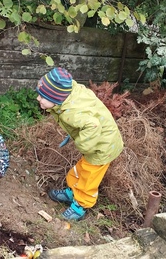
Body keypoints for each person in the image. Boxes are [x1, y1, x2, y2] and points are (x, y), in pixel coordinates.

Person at [36, 67, 124, 220]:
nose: (38, 99)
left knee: (89, 177)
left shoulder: (72, 112)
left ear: (56, 98)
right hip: (99, 141)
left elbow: (93, 125)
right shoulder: (69, 93)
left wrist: (83, 145)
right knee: (80, 169)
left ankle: (80, 205)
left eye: (43, 97)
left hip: (103, 147)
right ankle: (73, 192)